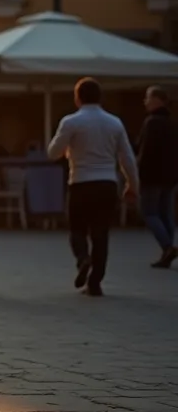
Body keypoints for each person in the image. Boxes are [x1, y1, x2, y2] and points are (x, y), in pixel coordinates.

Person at [47, 77, 139, 296]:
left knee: (77, 229)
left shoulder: (71, 122)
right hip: (107, 183)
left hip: (80, 182)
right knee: (101, 233)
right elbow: (127, 157)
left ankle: (82, 259)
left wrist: (68, 147)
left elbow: (52, 153)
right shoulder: (114, 123)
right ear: (100, 97)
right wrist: (133, 185)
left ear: (77, 98)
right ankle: (95, 282)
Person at [137, 86, 178, 268]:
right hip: (170, 176)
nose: (145, 102)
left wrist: (138, 173)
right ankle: (167, 251)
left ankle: (167, 247)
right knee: (166, 213)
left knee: (150, 212)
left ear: (157, 100)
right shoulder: (172, 122)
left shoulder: (152, 122)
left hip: (152, 175)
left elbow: (146, 152)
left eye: (148, 98)